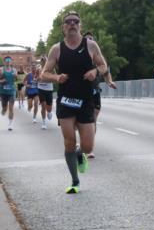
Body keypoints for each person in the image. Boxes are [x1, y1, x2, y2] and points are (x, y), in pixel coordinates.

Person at [40, 11, 109, 193]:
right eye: (68, 22)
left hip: (86, 100)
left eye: (75, 22)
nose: (72, 24)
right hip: (66, 100)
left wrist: (96, 71)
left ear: (80, 26)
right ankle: (75, 181)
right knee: (69, 140)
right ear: (63, 27)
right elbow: (44, 74)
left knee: (88, 146)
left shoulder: (91, 46)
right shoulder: (57, 49)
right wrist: (56, 77)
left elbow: (103, 65)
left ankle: (80, 155)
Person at [0, 56, 17, 130]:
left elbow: (16, 79)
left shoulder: (14, 70)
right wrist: (1, 81)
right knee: (4, 108)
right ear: (4, 62)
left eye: (9, 60)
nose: (8, 61)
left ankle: (10, 124)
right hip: (3, 92)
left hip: (12, 91)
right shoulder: (1, 70)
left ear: (11, 61)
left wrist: (15, 76)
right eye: (7, 60)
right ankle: (3, 109)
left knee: (11, 108)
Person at [36, 56, 54, 129]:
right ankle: (44, 123)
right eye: (42, 60)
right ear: (41, 62)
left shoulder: (51, 68)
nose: (43, 61)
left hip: (49, 89)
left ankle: (49, 112)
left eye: (44, 60)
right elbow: (36, 78)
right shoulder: (38, 69)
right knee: (43, 105)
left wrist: (49, 78)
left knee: (49, 108)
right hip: (41, 88)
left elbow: (55, 76)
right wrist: (38, 79)